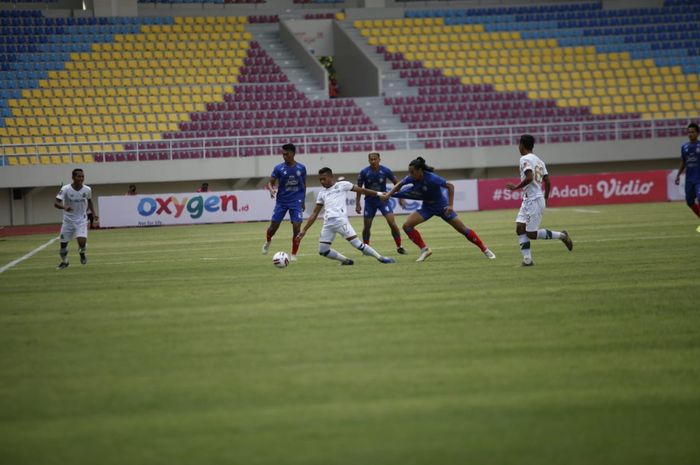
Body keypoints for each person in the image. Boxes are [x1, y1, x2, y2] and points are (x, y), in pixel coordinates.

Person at [382, 156, 496, 262]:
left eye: (412, 172)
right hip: (427, 207)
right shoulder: (412, 178)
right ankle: (425, 250)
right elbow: (400, 184)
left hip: (441, 207)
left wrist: (451, 205)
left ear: (419, 170)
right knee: (407, 226)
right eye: (409, 172)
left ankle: (485, 249)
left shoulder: (432, 178)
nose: (410, 174)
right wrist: (389, 194)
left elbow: (450, 186)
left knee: (462, 229)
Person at [297, 167, 395, 265]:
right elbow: (315, 213)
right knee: (323, 251)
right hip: (328, 224)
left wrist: (379, 194)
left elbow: (362, 190)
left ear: (331, 177)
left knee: (358, 244)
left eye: (324, 178)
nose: (322, 181)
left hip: (340, 221)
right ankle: (346, 261)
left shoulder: (342, 185)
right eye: (320, 180)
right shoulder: (322, 193)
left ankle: (381, 258)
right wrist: (304, 230)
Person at [505, 134, 573, 266]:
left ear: (521, 146)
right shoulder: (539, 161)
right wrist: (546, 197)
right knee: (520, 227)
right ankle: (527, 260)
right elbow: (547, 182)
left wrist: (516, 187)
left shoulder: (524, 159)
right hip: (530, 199)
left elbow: (529, 177)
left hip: (534, 200)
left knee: (531, 233)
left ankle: (562, 236)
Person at [355, 152, 406, 254]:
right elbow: (358, 189)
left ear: (379, 160)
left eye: (375, 159)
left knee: (392, 223)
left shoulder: (385, 170)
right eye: (371, 159)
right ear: (368, 160)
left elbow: (397, 183)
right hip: (370, 201)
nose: (373, 161)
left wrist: (401, 197)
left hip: (383, 200)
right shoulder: (364, 172)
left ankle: (399, 246)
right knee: (367, 226)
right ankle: (366, 248)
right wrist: (358, 203)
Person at [262, 143, 307, 261]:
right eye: (283, 154)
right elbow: (270, 182)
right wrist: (271, 190)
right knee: (273, 227)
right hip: (281, 201)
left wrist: (303, 201)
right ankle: (268, 241)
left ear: (293, 153)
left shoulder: (301, 168)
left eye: (287, 154)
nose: (284, 156)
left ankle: (293, 254)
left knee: (297, 227)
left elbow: (304, 185)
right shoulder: (278, 168)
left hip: (296, 201)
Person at [54, 168, 98, 269]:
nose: (81, 178)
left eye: (82, 176)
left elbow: (89, 201)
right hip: (68, 221)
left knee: (82, 243)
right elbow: (56, 203)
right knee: (62, 248)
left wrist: (94, 214)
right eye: (79, 176)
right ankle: (65, 262)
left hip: (81, 220)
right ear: (73, 177)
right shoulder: (65, 189)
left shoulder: (87, 189)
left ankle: (82, 254)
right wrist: (64, 207)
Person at [674, 122, 700, 231]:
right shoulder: (684, 147)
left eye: (693, 132)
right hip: (689, 179)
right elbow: (684, 162)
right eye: (689, 132)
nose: (690, 134)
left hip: (699, 179)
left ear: (697, 133)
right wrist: (678, 174)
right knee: (689, 202)